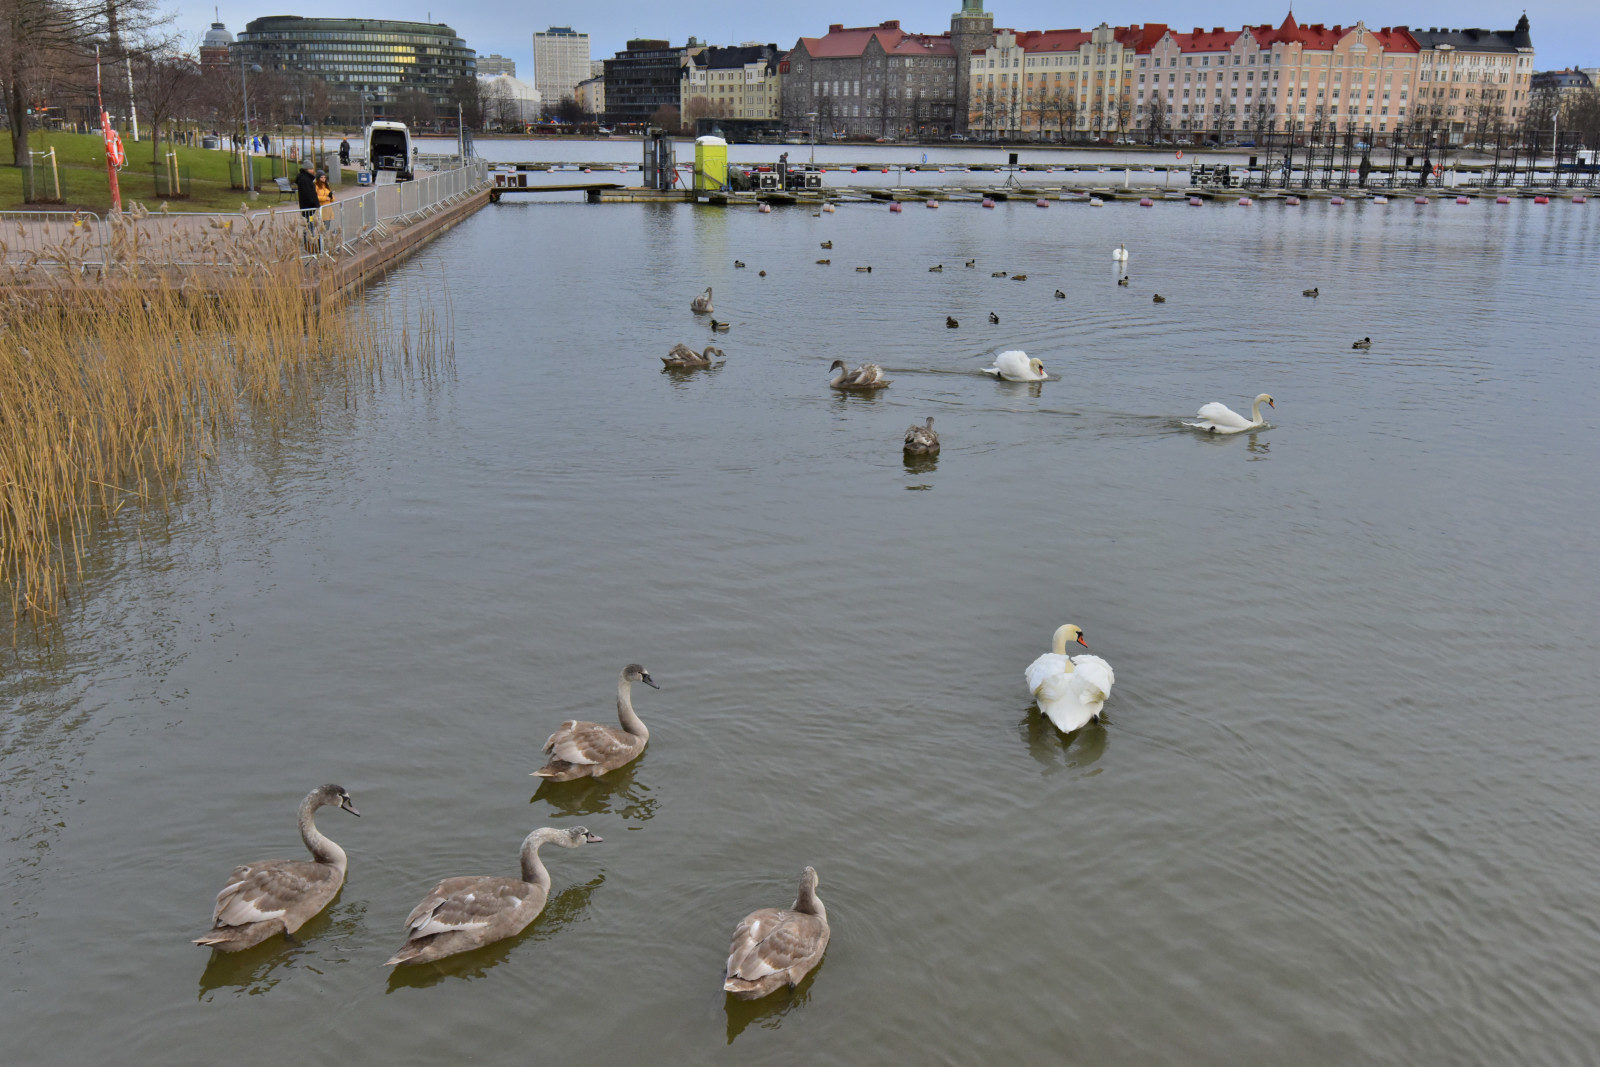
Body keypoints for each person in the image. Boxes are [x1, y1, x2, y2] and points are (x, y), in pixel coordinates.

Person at [294, 159, 319, 231]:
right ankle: (308, 241)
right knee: (309, 226)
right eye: (311, 169)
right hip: (309, 207)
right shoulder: (304, 179)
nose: (313, 171)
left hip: (309, 207)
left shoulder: (307, 178)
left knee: (310, 225)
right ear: (307, 169)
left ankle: (309, 239)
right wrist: (314, 203)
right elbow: (307, 194)